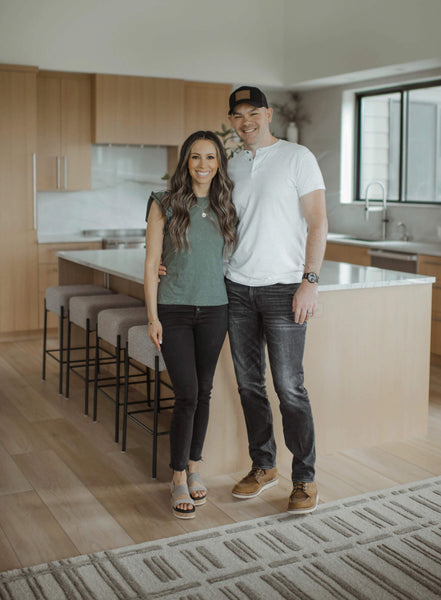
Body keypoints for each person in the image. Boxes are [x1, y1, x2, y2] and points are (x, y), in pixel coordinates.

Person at [225, 86, 328, 514]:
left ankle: (304, 478)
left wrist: (310, 282)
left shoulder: (298, 157)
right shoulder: (231, 164)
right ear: (231, 121)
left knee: (289, 387)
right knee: (249, 386)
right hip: (236, 288)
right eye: (237, 115)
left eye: (253, 113)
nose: (246, 121)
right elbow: (225, 227)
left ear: (268, 114)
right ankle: (263, 466)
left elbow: (319, 222)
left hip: (285, 289)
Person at [144, 130, 237, 519]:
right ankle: (178, 476)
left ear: (219, 164)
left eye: (211, 158)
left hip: (216, 310)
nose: (203, 165)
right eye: (195, 157)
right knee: (187, 394)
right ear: (185, 162)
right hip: (175, 310)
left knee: (204, 391)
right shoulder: (163, 202)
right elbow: (151, 263)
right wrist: (152, 316)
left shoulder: (226, 204)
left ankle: (195, 466)